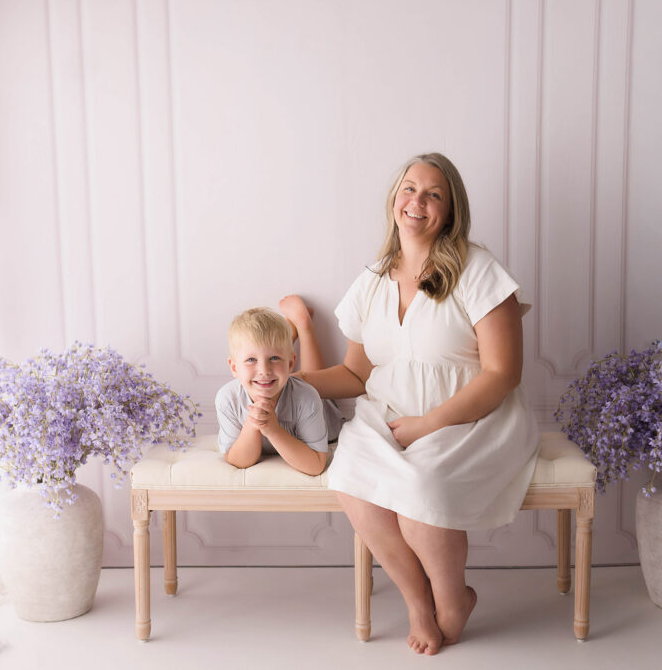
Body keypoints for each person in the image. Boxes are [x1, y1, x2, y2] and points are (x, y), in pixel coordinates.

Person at [292, 153, 539, 655]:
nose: (417, 201)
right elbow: (356, 373)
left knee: (420, 487)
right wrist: (289, 385)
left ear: (450, 211)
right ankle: (420, 604)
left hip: (470, 415)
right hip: (386, 414)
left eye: (433, 194)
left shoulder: (478, 269)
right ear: (394, 200)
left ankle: (454, 599)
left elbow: (503, 374)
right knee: (354, 485)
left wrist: (429, 424)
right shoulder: (373, 279)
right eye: (409, 189)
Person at [214, 307, 341, 476]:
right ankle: (289, 334)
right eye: (251, 359)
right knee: (278, 375)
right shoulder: (228, 398)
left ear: (291, 364)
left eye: (274, 358)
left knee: (310, 380)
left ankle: (304, 328)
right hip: (281, 382)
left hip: (322, 413)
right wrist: (252, 425)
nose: (264, 370)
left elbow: (315, 465)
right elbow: (237, 460)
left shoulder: (307, 398)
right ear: (234, 367)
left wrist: (273, 429)